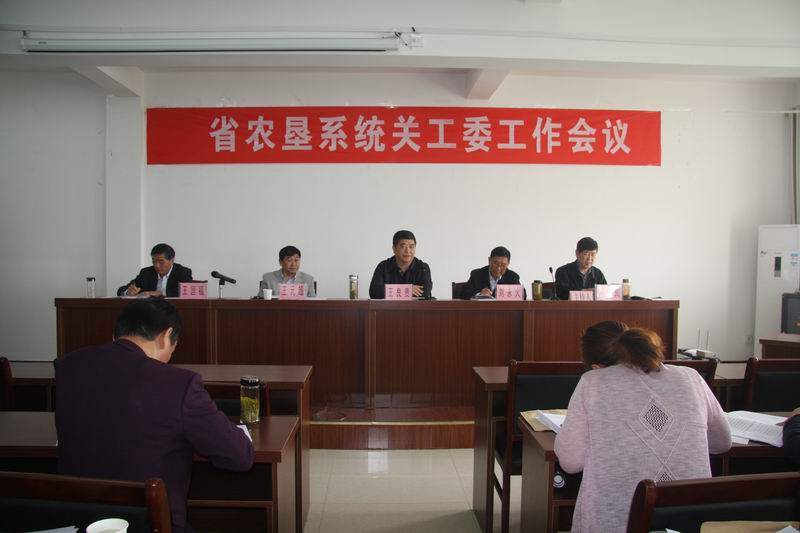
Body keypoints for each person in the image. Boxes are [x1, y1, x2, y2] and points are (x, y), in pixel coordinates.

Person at [55, 299, 254, 533]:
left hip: (78, 521)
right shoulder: (179, 384)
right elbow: (239, 456)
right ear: (165, 336)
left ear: (116, 333)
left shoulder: (68, 367)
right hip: (148, 524)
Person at [554, 326, 731, 533]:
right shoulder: (691, 377)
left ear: (596, 366)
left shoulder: (592, 382)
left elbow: (570, 462)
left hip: (617, 521)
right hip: (690, 520)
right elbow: (722, 442)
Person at [369, 230, 433, 299]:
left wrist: (391, 291)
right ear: (394, 248)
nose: (407, 251)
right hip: (390, 306)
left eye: (411, 247)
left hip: (415, 306)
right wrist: (406, 290)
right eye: (403, 246)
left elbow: (425, 292)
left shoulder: (422, 267)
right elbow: (374, 292)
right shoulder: (383, 266)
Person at [117, 243, 193, 297]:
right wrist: (128, 292)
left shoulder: (183, 272)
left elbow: (187, 292)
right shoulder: (146, 272)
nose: (156, 265)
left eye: (161, 261)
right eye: (154, 261)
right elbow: (121, 290)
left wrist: (159, 293)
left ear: (172, 260)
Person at [459, 246, 525, 299]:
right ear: (489, 260)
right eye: (495, 263)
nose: (498, 268)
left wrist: (503, 293)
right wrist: (480, 295)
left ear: (508, 264)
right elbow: (464, 293)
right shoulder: (477, 274)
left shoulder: (512, 276)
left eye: (503, 265)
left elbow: (523, 295)